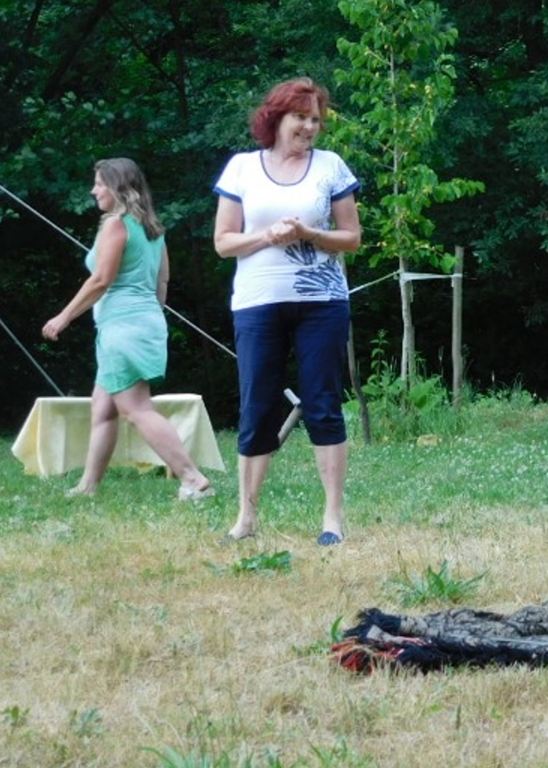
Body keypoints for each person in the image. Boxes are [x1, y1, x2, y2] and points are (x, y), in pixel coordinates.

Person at [213, 77, 362, 545]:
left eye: (316, 119)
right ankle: (246, 518)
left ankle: (332, 518)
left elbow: (352, 238)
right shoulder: (241, 168)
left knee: (323, 404)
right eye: (301, 117)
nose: (310, 127)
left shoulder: (331, 166)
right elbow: (223, 243)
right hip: (257, 303)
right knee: (257, 407)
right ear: (276, 118)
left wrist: (310, 234)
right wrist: (268, 236)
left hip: (323, 304)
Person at [42, 158, 216, 500]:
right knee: (103, 408)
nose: (93, 191)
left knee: (137, 410)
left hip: (123, 328)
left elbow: (101, 280)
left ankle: (193, 478)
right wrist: (149, 317)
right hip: (144, 323)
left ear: (117, 187)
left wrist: (63, 317)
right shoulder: (152, 229)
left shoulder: (116, 224)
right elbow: (162, 281)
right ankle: (88, 486)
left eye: (99, 184)